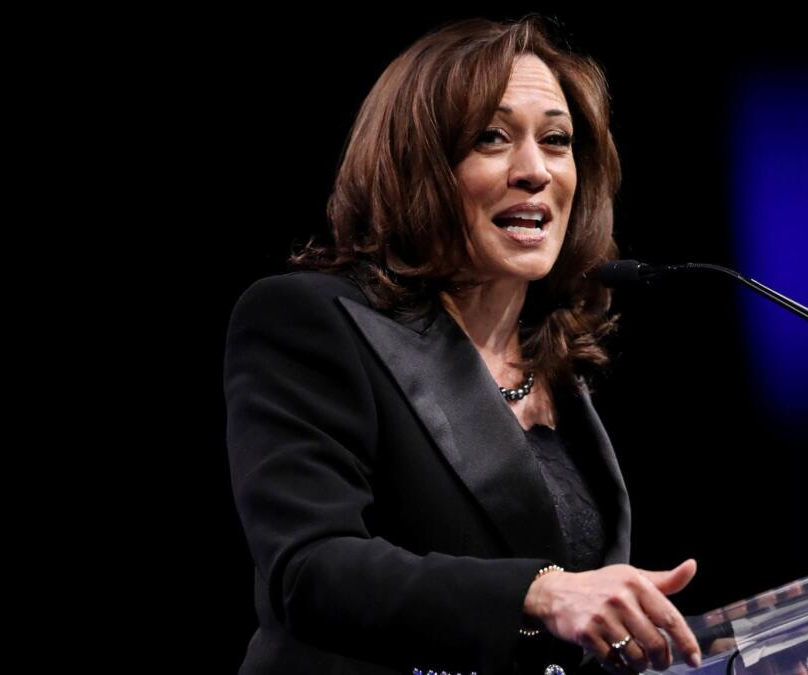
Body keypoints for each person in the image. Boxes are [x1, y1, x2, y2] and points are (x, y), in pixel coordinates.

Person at [223, 15, 705, 675]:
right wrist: (539, 591)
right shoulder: (307, 322)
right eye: (491, 138)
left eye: (557, 140)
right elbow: (310, 569)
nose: (535, 170)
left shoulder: (558, 370)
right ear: (417, 164)